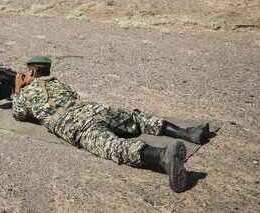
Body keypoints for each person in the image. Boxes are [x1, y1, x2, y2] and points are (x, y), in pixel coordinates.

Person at [12, 55, 209, 193]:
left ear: (31, 71)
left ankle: (162, 156)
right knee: (136, 119)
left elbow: (18, 114)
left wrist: (18, 88)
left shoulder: (27, 93)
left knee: (115, 147)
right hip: (96, 109)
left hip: (79, 126)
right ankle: (187, 132)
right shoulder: (58, 81)